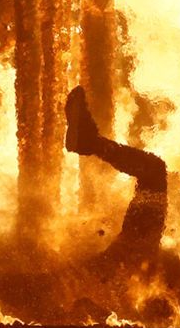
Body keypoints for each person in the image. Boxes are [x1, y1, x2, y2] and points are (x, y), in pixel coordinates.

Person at [64, 86, 167, 263]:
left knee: (154, 171)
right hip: (135, 261)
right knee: (153, 171)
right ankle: (90, 142)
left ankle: (91, 142)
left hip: (132, 262)